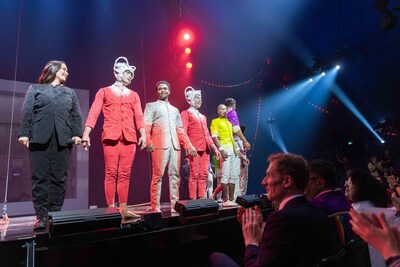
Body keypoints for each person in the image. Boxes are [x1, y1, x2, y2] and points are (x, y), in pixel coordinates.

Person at [209, 153, 342, 267]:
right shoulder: (318, 212)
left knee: (216, 257)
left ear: (287, 181)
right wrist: (264, 232)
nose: (263, 182)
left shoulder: (281, 219)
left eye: (269, 175)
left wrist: (251, 240)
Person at [18, 60, 83, 231]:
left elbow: (76, 114)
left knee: (59, 179)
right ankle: (41, 217)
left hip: (63, 139)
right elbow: (27, 111)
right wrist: (24, 132)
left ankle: (55, 216)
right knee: (40, 178)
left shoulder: (70, 92)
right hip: (39, 137)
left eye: (67, 70)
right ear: (53, 70)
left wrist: (77, 134)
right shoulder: (36, 89)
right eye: (64, 69)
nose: (67, 73)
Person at [82, 56, 146, 219]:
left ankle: (123, 210)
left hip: (129, 138)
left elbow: (139, 116)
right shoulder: (104, 91)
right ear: (116, 72)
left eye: (132, 74)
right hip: (111, 137)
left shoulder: (134, 95)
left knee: (125, 174)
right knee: (111, 173)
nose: (130, 76)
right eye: (127, 73)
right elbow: (94, 112)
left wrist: (143, 135)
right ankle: (111, 210)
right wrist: (86, 133)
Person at [144, 81, 196, 213]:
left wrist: (188, 144)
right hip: (159, 144)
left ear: (169, 91)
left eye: (165, 88)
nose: (162, 90)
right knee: (158, 175)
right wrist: (148, 141)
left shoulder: (175, 110)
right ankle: (155, 206)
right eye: (160, 88)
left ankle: (174, 204)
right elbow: (146, 125)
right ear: (157, 92)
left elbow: (180, 130)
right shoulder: (151, 106)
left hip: (175, 146)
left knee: (175, 175)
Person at [180, 86, 221, 199]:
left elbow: (207, 134)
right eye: (197, 97)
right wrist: (188, 146)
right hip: (194, 148)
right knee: (194, 175)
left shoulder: (203, 117)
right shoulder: (186, 113)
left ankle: (202, 198)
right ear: (190, 99)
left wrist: (214, 148)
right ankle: (193, 200)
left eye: (200, 98)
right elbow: (182, 131)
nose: (199, 100)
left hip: (205, 149)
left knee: (203, 174)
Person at [304, 159, 353, 245]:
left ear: (320, 183)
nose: (302, 186)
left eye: (304, 180)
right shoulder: (347, 203)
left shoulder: (313, 209)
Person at [210, 104, 242, 207]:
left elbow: (233, 139)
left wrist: (237, 151)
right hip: (225, 148)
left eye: (224, 109)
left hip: (232, 150)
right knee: (225, 175)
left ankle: (232, 199)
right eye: (220, 109)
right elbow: (214, 137)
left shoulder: (229, 123)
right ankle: (225, 200)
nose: (222, 111)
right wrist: (221, 149)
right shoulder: (215, 121)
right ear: (217, 111)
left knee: (233, 175)